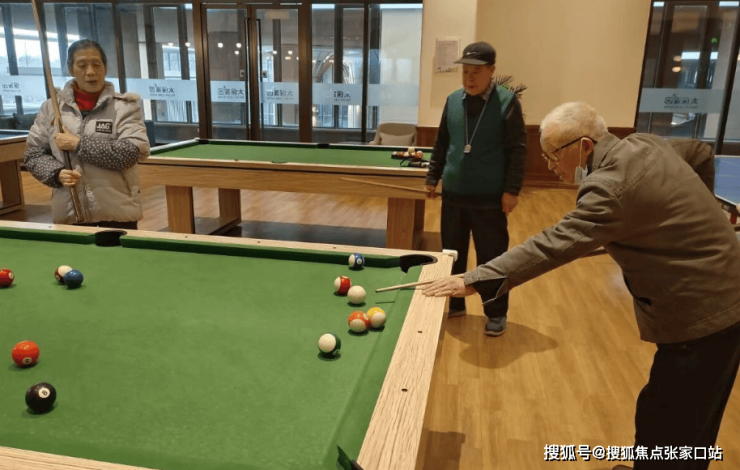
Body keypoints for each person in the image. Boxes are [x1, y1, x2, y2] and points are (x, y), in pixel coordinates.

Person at [423, 101, 740, 470]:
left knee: (673, 425)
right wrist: (694, 217)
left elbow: (550, 245)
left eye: (553, 155)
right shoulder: (644, 144)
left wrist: (474, 279)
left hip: (705, 311)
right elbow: (700, 152)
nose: (550, 165)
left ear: (584, 146)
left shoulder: (608, 189)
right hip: (723, 291)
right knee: (677, 417)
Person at [424, 41, 527, 336]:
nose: (469, 78)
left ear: (491, 70)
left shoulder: (507, 102)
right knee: (452, 255)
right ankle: (455, 304)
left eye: (476, 72)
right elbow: (442, 143)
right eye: (465, 72)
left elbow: (518, 150)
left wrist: (512, 190)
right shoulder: (453, 101)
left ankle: (495, 312)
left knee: (492, 259)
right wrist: (432, 177)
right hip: (453, 196)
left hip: (490, 199)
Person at [25, 39, 150, 229]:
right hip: (69, 213)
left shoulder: (124, 107)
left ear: (105, 68)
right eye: (82, 65)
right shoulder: (52, 108)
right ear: (71, 69)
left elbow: (131, 152)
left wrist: (79, 144)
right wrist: (56, 173)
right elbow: (34, 153)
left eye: (96, 64)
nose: (90, 72)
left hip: (117, 213)